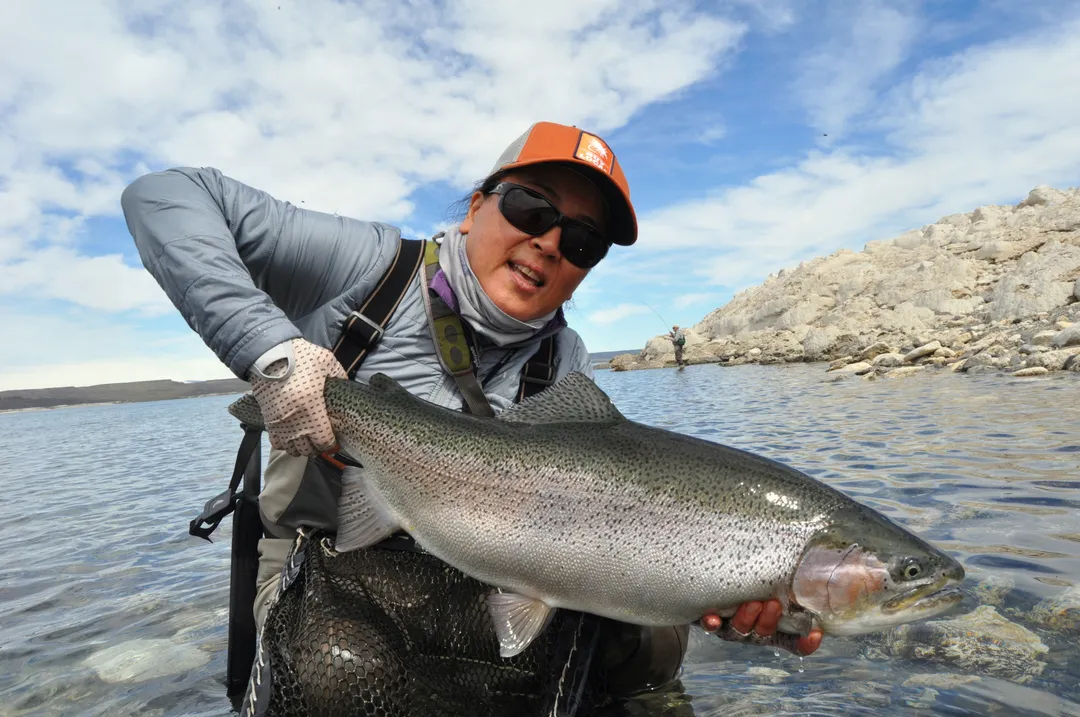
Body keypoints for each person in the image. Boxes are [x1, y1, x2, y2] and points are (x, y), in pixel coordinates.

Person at [122, 121, 822, 717]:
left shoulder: (564, 359)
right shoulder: (366, 267)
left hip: (477, 559)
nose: (550, 242)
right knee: (343, 668)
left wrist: (718, 586)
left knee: (654, 643)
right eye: (531, 208)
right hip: (326, 560)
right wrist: (270, 352)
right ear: (476, 207)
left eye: (583, 241)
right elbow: (162, 196)